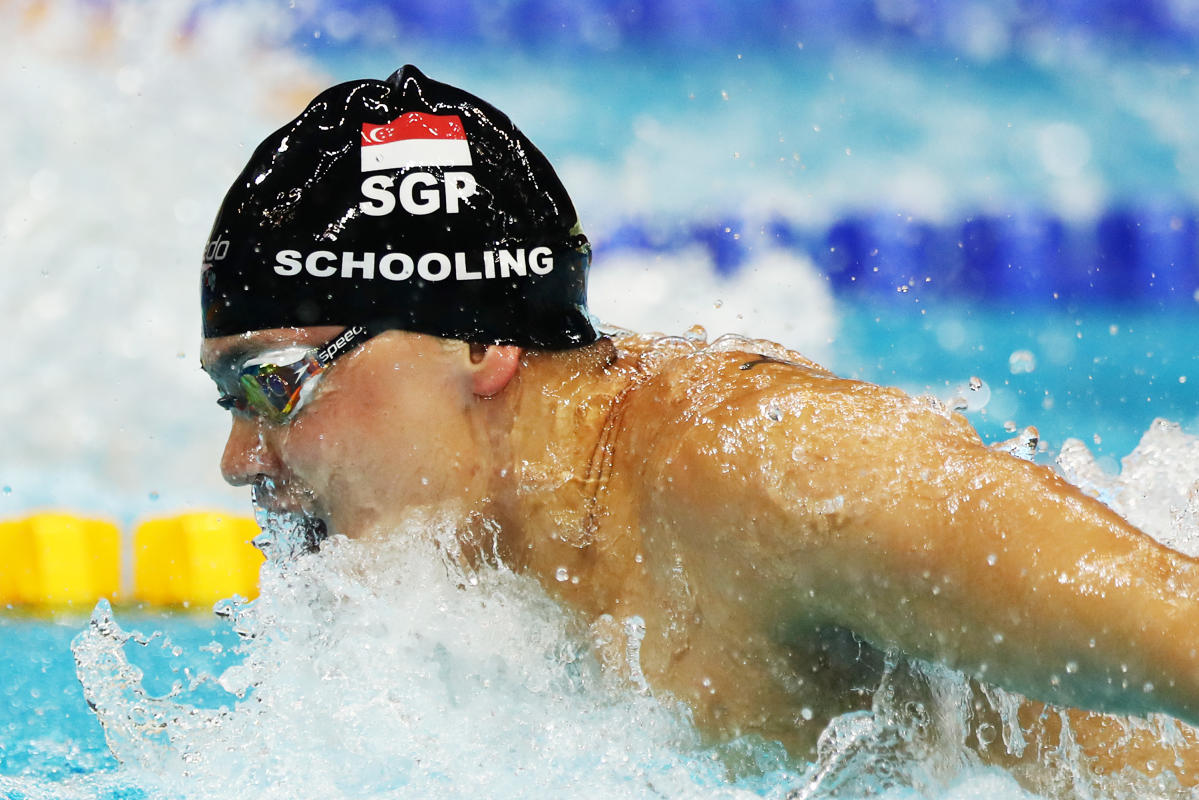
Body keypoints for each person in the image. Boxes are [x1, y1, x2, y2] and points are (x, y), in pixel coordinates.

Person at [200, 65, 1199, 790]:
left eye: (272, 384)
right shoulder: (482, 566)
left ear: (482, 340)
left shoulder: (770, 473)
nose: (240, 457)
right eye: (228, 397)